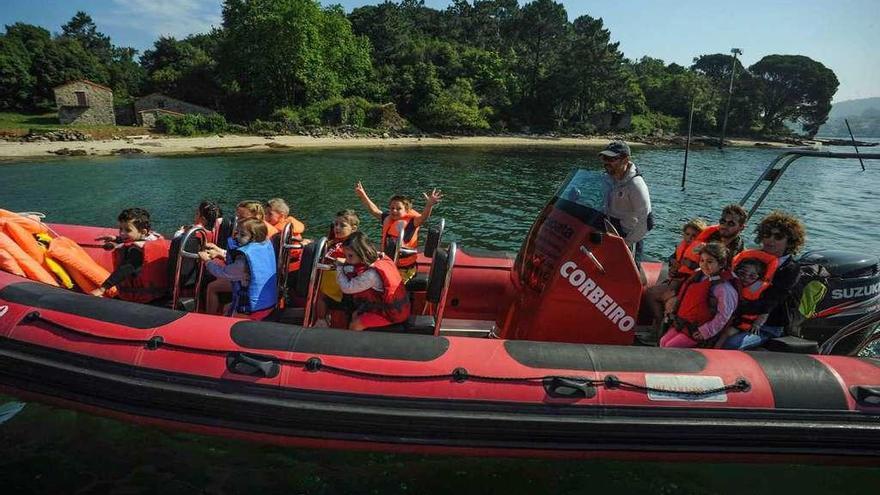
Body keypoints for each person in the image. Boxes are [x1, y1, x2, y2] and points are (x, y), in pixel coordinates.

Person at [721, 211, 805, 350]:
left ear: (789, 242)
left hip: (767, 325)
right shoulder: (751, 259)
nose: (770, 240)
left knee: (731, 344)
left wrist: (732, 308)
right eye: (767, 235)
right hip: (736, 316)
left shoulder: (790, 269)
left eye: (778, 237)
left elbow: (769, 303)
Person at [354, 181, 442, 282]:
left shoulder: (412, 222)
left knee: (387, 284)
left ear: (407, 210)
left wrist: (429, 205)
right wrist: (362, 195)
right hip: (388, 263)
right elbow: (374, 210)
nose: (394, 211)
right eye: (392, 208)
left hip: (405, 269)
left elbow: (424, 217)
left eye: (398, 208)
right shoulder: (388, 219)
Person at [660, 242, 738, 348]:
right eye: (702, 261)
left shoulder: (724, 289)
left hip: (699, 330)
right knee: (663, 342)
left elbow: (724, 316)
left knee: (670, 346)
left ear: (721, 264)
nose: (704, 265)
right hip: (683, 324)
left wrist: (706, 331)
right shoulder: (698, 276)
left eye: (710, 262)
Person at [199, 218, 277, 319]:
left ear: (253, 237)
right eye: (237, 233)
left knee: (224, 308)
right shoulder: (263, 247)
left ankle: (209, 320)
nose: (237, 237)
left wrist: (207, 261)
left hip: (252, 310)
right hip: (268, 303)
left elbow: (222, 273)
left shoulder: (242, 262)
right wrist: (219, 252)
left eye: (242, 235)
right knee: (226, 308)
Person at [643, 218, 707, 337]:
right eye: (687, 234)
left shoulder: (702, 250)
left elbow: (704, 270)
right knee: (651, 293)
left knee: (652, 294)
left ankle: (659, 325)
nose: (690, 238)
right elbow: (672, 259)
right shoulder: (681, 247)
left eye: (694, 235)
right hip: (675, 280)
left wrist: (691, 265)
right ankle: (659, 322)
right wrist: (673, 265)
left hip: (686, 285)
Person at [335, 231, 410, 331]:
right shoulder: (379, 259)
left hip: (392, 314)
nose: (347, 260)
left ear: (362, 254)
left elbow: (347, 288)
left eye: (350, 256)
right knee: (355, 314)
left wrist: (339, 267)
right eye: (346, 256)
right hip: (390, 307)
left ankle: (356, 345)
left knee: (355, 325)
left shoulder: (371, 275)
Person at [90, 207, 167, 303]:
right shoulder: (152, 239)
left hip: (141, 298)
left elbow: (125, 269)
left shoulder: (136, 251)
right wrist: (116, 239)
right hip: (157, 293)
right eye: (121, 229)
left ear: (143, 231)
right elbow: (137, 239)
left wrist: (103, 288)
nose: (122, 233)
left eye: (127, 230)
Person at [598, 140, 652, 258]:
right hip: (609, 231)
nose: (606, 163)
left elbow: (647, 221)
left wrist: (626, 243)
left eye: (611, 159)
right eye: (604, 158)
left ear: (625, 160)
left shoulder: (636, 185)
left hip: (627, 238)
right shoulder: (607, 178)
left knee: (627, 275)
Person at [714, 253, 776, 348]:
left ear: (759, 278)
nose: (746, 278)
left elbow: (764, 311)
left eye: (752, 276)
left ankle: (715, 350)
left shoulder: (761, 292)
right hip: (729, 319)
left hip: (744, 324)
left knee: (727, 333)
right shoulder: (731, 285)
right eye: (742, 273)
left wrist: (757, 324)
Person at [315, 209, 360, 327]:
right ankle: (321, 320)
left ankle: (322, 320)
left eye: (342, 225)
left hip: (342, 281)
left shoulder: (354, 245)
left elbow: (357, 262)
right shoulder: (333, 242)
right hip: (327, 277)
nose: (337, 228)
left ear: (353, 228)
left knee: (322, 296)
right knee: (320, 294)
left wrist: (339, 261)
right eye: (336, 225)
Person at [679, 204, 748, 272]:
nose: (724, 226)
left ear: (741, 227)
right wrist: (673, 259)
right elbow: (686, 245)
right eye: (723, 221)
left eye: (731, 224)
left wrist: (691, 265)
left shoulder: (736, 253)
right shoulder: (709, 234)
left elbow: (721, 272)